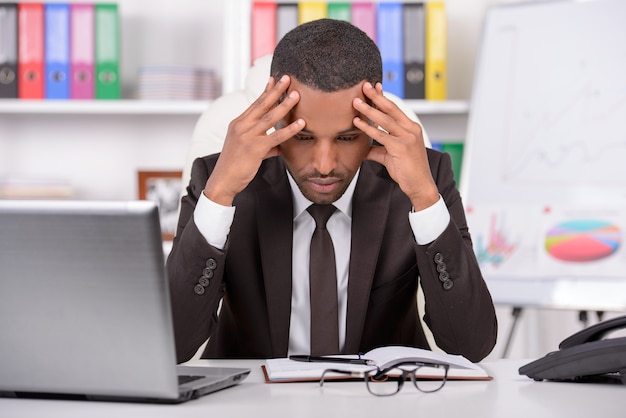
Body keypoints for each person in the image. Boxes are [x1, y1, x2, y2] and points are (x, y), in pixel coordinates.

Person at [167, 18, 497, 363]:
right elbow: (173, 346)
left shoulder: (421, 177)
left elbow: (471, 345)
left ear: (371, 122)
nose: (324, 165)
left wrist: (425, 199)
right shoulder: (218, 177)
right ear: (275, 118)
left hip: (381, 401)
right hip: (254, 400)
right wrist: (219, 193)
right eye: (303, 137)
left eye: (346, 137)